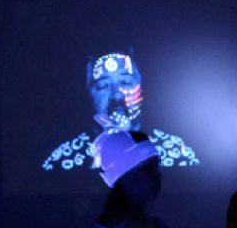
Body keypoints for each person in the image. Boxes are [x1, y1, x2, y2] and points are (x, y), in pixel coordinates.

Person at [42, 51, 197, 172]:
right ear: (90, 94)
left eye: (126, 82)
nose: (116, 95)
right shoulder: (65, 159)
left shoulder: (175, 152)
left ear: (142, 87)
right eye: (103, 86)